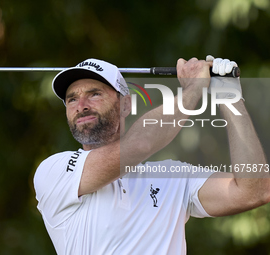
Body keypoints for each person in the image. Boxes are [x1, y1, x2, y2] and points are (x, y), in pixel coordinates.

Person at [33, 56, 270, 254]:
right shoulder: (55, 170)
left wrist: (230, 98)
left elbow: (254, 192)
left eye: (94, 94)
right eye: (71, 98)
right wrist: (194, 89)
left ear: (126, 105)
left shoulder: (172, 176)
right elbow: (140, 144)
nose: (81, 105)